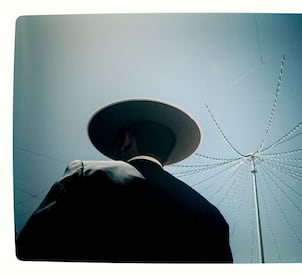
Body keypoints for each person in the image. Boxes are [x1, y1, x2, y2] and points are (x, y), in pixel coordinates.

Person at [16, 99, 233, 263]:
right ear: (167, 156)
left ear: (127, 139)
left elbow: (30, 251)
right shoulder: (212, 217)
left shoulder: (87, 174)